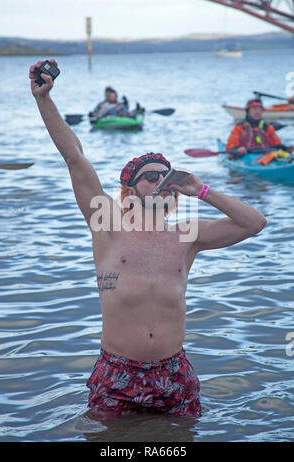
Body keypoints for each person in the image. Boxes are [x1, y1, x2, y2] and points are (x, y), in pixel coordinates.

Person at [29, 59, 267, 417]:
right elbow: (75, 158)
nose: (160, 182)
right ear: (130, 190)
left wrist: (201, 189)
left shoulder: (187, 233)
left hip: (175, 374)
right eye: (150, 177)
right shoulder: (108, 223)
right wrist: (44, 99)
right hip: (118, 373)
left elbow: (255, 223)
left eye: (165, 176)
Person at [226, 98, 293, 158]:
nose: (257, 112)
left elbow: (277, 145)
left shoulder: (267, 127)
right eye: (254, 109)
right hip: (246, 156)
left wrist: (286, 149)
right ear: (248, 112)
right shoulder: (239, 127)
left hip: (266, 155)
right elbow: (231, 146)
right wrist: (236, 150)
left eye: (259, 109)